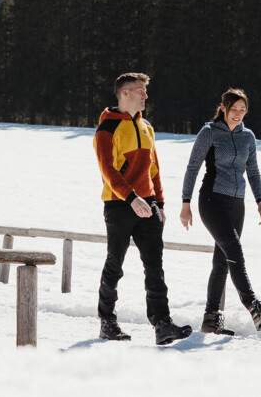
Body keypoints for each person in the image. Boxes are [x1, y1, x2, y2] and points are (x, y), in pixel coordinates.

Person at [94, 72, 192, 345]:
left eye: (145, 91)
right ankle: (107, 321)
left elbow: (154, 169)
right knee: (115, 264)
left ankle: (162, 324)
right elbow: (108, 170)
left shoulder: (147, 127)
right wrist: (130, 198)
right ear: (124, 93)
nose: (145, 95)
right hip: (119, 204)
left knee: (155, 267)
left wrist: (159, 203)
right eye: (140, 91)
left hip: (147, 205)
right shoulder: (107, 129)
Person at [179, 87, 261, 335]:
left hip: (237, 204)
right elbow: (192, 167)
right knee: (234, 250)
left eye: (243, 110)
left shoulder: (248, 137)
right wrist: (186, 203)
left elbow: (253, 170)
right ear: (223, 108)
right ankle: (254, 306)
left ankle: (211, 318)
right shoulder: (209, 133)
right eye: (234, 109)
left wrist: (260, 201)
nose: (238, 114)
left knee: (222, 261)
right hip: (212, 201)